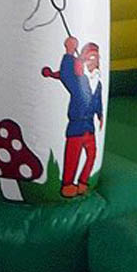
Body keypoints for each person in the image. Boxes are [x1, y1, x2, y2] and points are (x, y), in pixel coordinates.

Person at [42, 36, 103, 197]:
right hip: (77, 125)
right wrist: (69, 52)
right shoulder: (78, 80)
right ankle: (68, 184)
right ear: (82, 60)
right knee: (72, 156)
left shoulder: (97, 81)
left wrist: (100, 114)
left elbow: (97, 100)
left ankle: (83, 181)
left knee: (91, 155)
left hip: (89, 125)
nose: (94, 61)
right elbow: (66, 75)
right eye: (90, 57)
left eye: (96, 58)